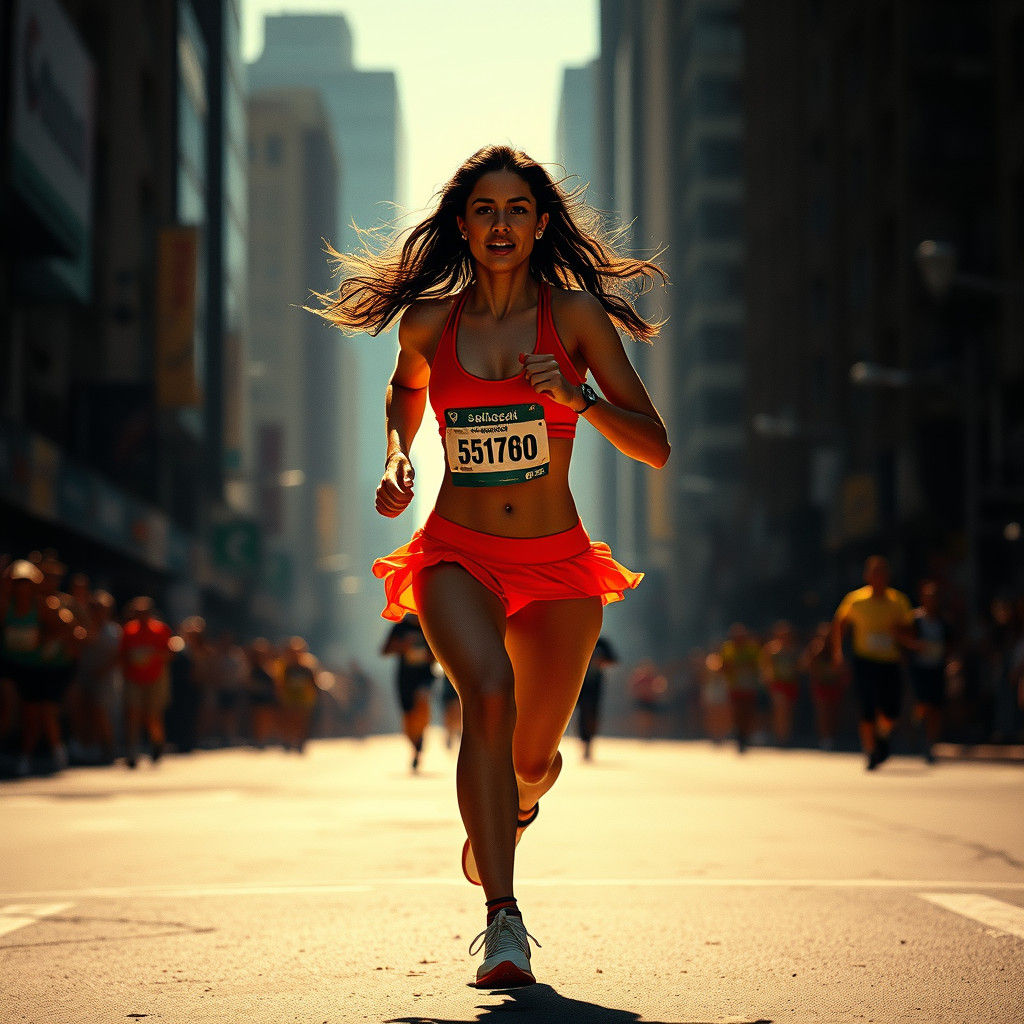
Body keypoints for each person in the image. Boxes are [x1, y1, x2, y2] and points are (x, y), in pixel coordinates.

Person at [311, 144, 669, 988]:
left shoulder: (575, 316)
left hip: (557, 566)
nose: (500, 224)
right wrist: (398, 456)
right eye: (483, 209)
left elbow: (653, 445)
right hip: (457, 553)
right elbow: (405, 391)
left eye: (516, 209)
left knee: (534, 760)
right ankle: (503, 924)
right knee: (488, 695)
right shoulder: (430, 322)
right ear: (463, 226)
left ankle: (513, 807)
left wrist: (577, 398)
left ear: (540, 224)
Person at [831, 555, 914, 770]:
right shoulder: (855, 600)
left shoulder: (898, 601)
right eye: (874, 573)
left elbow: (909, 630)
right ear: (867, 576)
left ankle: (882, 735)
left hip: (890, 661)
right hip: (865, 661)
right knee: (867, 707)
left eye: (882, 573)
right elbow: (840, 624)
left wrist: (901, 637)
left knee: (892, 710)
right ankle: (871, 751)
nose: (878, 577)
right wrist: (838, 654)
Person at [119, 596, 173, 768]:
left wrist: (152, 654)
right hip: (133, 677)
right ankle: (131, 751)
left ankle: (157, 743)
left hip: (155, 677)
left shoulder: (160, 629)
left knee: (152, 715)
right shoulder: (128, 630)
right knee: (133, 714)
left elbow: (169, 653)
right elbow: (122, 654)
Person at [381, 613, 437, 770]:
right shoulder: (400, 628)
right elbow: (384, 650)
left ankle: (419, 743)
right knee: (408, 718)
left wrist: (429, 655)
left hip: (425, 677)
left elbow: (441, 652)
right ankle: (416, 747)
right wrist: (403, 645)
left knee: (422, 706)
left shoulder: (429, 625)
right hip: (405, 679)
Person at [908, 580, 950, 763]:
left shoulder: (943, 620)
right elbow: (902, 637)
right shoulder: (915, 619)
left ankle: (930, 743)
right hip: (920, 668)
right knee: (922, 703)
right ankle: (918, 730)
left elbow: (952, 643)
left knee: (936, 708)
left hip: (937, 668)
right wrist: (915, 645)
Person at [720, 623, 762, 753]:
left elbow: (758, 664)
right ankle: (739, 736)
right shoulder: (727, 648)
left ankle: (746, 736)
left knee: (748, 712)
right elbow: (723, 666)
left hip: (749, 686)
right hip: (734, 686)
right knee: (737, 712)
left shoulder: (752, 648)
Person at [575, 634, 617, 760]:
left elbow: (612, 660)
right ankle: (583, 743)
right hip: (579, 686)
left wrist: (600, 661)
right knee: (581, 715)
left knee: (592, 715)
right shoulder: (579, 640)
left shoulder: (602, 642)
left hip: (595, 687)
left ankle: (589, 743)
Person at [760, 620, 801, 747]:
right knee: (780, 710)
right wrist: (767, 680)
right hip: (777, 684)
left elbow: (798, 666)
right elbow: (765, 666)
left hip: (790, 683)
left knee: (788, 711)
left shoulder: (793, 649)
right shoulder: (771, 649)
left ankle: (786, 736)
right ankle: (780, 737)